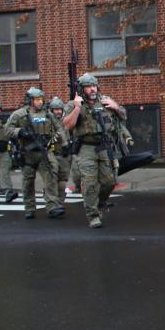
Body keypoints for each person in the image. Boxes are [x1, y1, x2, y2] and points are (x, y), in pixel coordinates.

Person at [61, 73, 126, 228]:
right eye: (88, 87)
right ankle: (93, 215)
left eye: (94, 86)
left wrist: (116, 107)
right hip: (86, 148)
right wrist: (77, 107)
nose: (92, 89)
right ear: (82, 89)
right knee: (89, 183)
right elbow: (66, 125)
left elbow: (123, 116)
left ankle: (100, 202)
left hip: (104, 146)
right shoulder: (74, 104)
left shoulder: (104, 101)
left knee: (110, 182)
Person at [4, 88, 66, 220]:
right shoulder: (19, 114)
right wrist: (20, 132)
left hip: (44, 150)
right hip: (27, 153)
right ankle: (29, 207)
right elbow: (7, 130)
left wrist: (65, 143)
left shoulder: (48, 114)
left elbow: (59, 128)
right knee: (28, 181)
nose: (40, 102)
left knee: (51, 176)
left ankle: (52, 206)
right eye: (37, 99)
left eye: (41, 99)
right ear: (30, 100)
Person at [48, 97, 73, 208]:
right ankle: (52, 204)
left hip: (64, 155)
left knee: (63, 181)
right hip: (50, 154)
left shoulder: (66, 120)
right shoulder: (47, 121)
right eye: (55, 109)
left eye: (60, 109)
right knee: (51, 180)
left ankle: (60, 203)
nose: (58, 111)